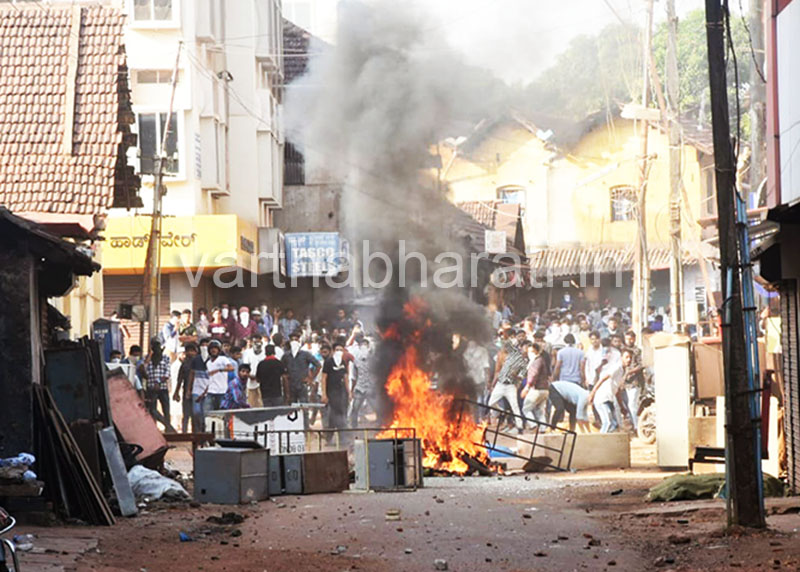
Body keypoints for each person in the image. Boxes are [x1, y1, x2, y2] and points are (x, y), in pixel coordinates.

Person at [487, 339, 531, 434]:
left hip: (511, 386)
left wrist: (518, 383)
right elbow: (497, 371)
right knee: (491, 403)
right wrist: (493, 384)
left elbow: (523, 372)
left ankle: (519, 427)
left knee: (515, 406)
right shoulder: (500, 355)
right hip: (500, 384)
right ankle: (502, 411)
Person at [140, 338, 176, 432]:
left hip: (162, 388)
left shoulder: (166, 358)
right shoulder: (147, 358)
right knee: (152, 410)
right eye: (154, 346)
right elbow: (144, 371)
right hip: (151, 388)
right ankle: (155, 429)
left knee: (166, 410)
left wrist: (158, 382)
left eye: (157, 346)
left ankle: (168, 429)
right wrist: (148, 358)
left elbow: (167, 374)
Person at [588, 343, 624, 433]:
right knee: (607, 423)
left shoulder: (622, 370)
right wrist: (593, 393)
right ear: (621, 357)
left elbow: (617, 390)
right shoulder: (617, 367)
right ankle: (600, 441)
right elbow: (603, 378)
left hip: (609, 399)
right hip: (602, 399)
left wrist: (621, 406)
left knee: (614, 424)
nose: (629, 360)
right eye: (627, 357)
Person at [281, 331, 321, 403]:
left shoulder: (305, 354)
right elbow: (282, 370)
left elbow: (318, 365)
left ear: (299, 341)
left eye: (296, 340)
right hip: (291, 386)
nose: (294, 342)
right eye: (292, 340)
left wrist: (310, 378)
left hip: (303, 385)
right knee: (292, 409)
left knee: (304, 406)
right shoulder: (286, 356)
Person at [321, 341, 351, 432]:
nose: (339, 352)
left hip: (341, 393)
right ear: (333, 351)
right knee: (332, 415)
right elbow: (324, 378)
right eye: (337, 350)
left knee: (342, 414)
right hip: (331, 392)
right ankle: (330, 436)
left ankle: (342, 436)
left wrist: (349, 393)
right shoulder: (328, 362)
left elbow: (346, 378)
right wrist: (324, 394)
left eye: (341, 350)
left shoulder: (343, 363)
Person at [349, 336, 377, 427]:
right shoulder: (356, 361)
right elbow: (354, 376)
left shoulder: (373, 360)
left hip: (369, 388)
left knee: (377, 409)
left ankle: (381, 425)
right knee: (355, 409)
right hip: (360, 388)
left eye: (365, 345)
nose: (364, 347)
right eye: (362, 345)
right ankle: (354, 427)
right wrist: (352, 390)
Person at [521, 343, 550, 424]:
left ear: (537, 351)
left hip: (536, 389)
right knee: (539, 410)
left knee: (525, 409)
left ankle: (533, 425)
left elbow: (533, 375)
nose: (529, 353)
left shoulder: (536, 362)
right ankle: (543, 428)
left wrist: (527, 388)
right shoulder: (540, 360)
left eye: (532, 351)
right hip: (544, 389)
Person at [173, 342, 198, 433]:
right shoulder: (184, 365)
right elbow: (180, 379)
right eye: (188, 351)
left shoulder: (200, 364)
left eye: (192, 351)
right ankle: (184, 433)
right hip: (186, 392)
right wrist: (176, 392)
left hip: (197, 392)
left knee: (195, 414)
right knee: (186, 414)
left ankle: (195, 433)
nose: (190, 353)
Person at [204, 339, 234, 411]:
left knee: (222, 412)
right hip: (210, 391)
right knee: (208, 412)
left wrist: (219, 370)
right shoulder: (208, 362)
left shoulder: (223, 359)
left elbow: (231, 368)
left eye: (215, 349)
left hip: (222, 391)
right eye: (212, 349)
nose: (213, 350)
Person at [242, 334, 267, 407]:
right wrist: (250, 376)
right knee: (251, 405)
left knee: (262, 404)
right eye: (255, 342)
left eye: (258, 342)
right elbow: (245, 367)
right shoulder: (247, 353)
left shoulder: (265, 353)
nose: (257, 344)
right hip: (251, 382)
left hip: (262, 382)